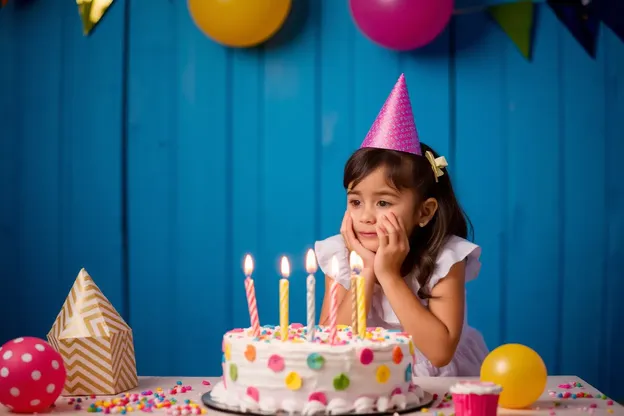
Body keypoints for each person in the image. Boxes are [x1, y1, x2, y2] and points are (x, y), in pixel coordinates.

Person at [315, 74, 489, 377]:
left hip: (436, 381)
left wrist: (389, 275)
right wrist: (367, 270)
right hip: (367, 377)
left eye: (383, 203)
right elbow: (331, 345)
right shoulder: (340, 255)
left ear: (424, 212)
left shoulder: (446, 258)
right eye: (356, 202)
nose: (366, 216)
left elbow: (440, 352)